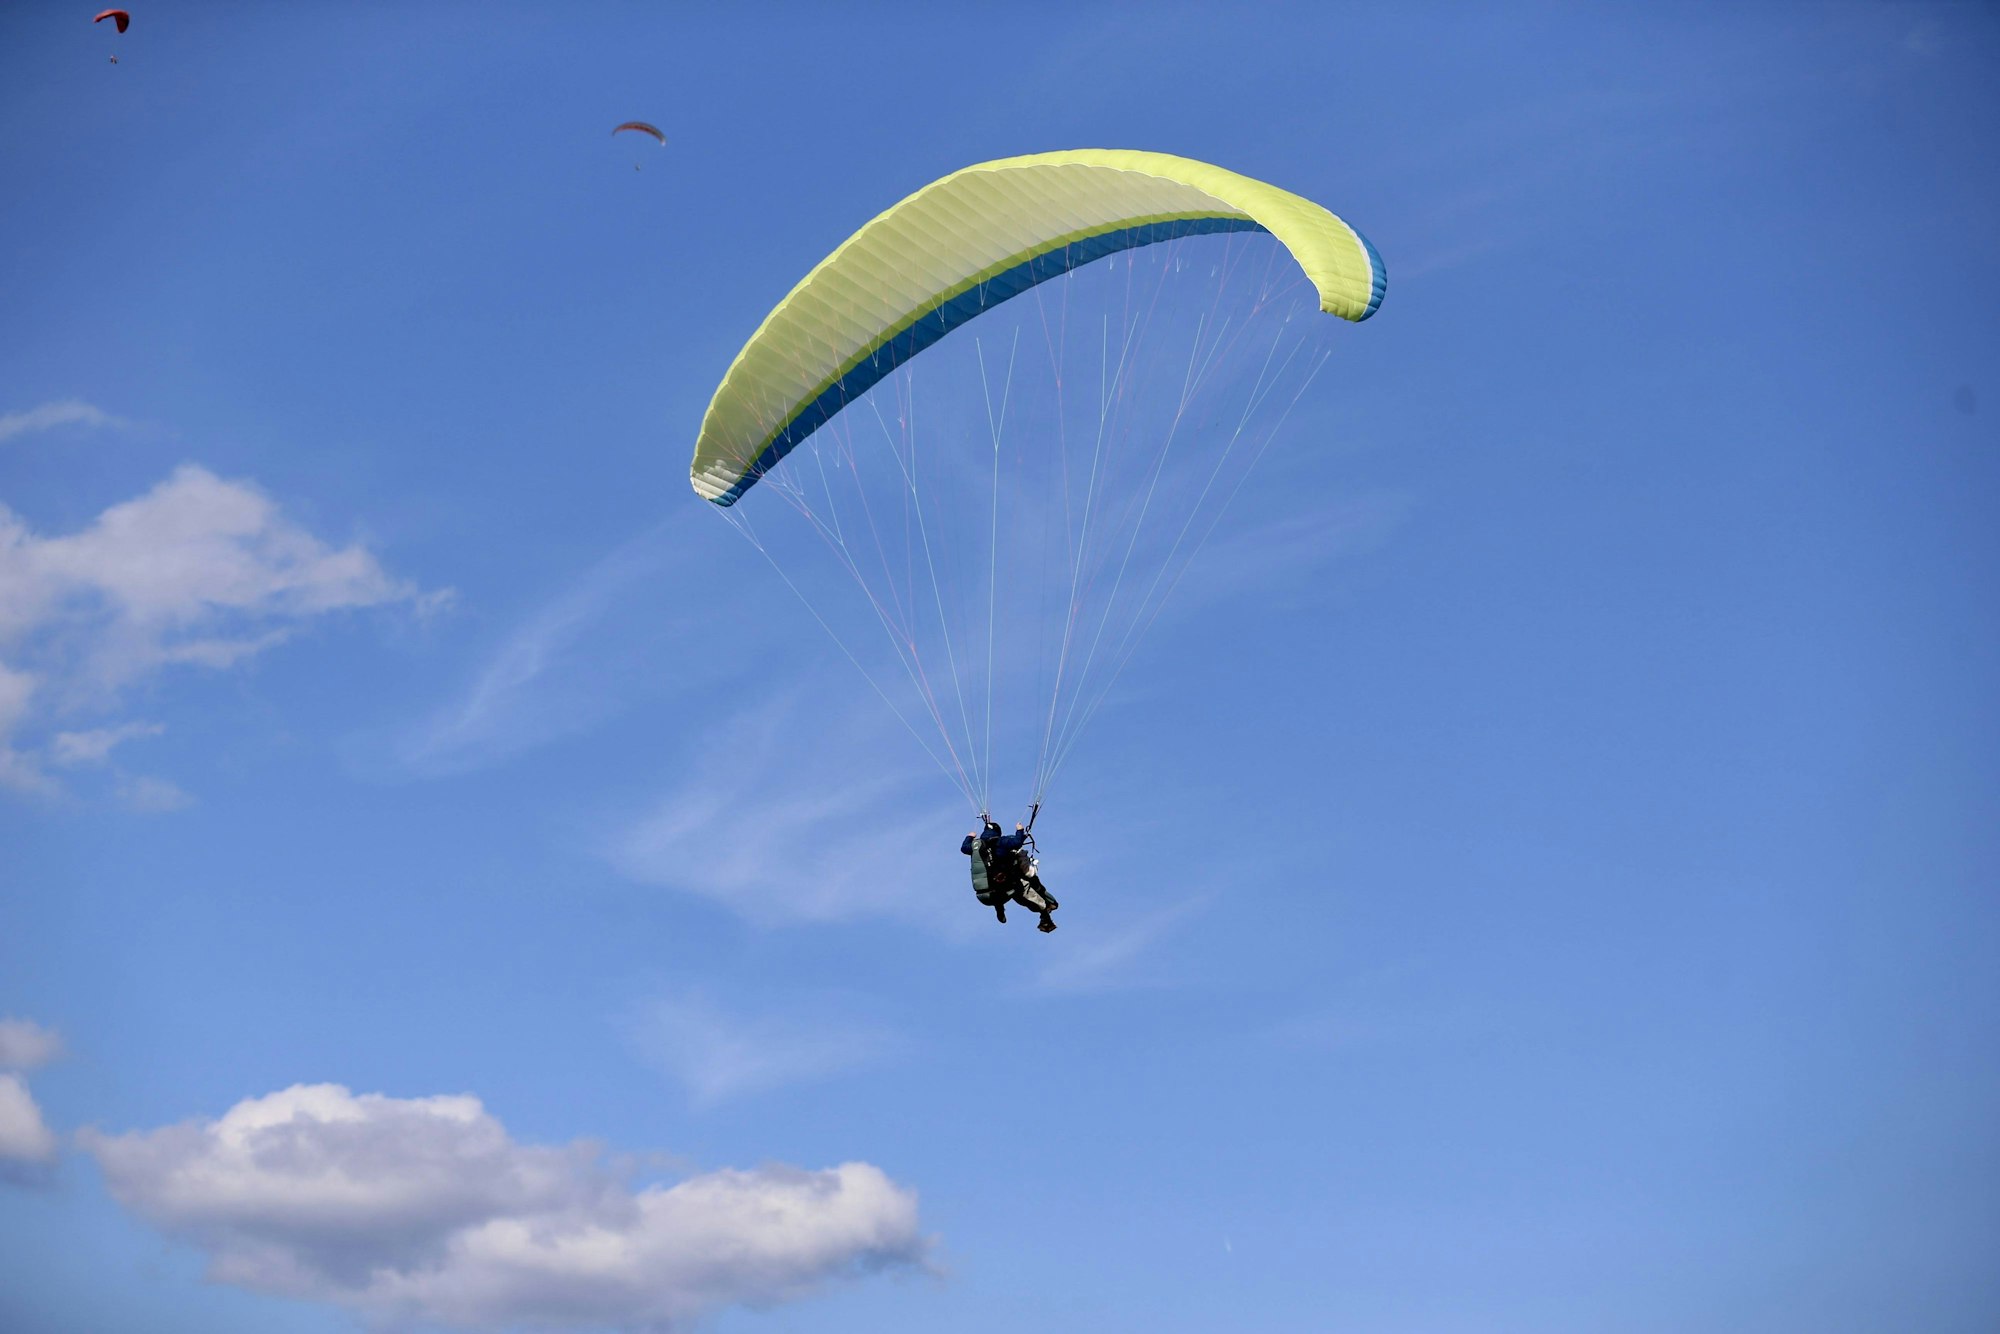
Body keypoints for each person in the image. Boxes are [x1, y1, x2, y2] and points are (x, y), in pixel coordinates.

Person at [960, 819, 1057, 932]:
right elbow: (1017, 842)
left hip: (983, 895)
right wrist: (1019, 830)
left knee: (998, 883)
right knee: (1024, 886)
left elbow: (963, 848)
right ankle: (1045, 914)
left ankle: (999, 908)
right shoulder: (1002, 841)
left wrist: (969, 836)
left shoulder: (975, 846)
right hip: (1004, 891)